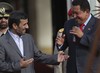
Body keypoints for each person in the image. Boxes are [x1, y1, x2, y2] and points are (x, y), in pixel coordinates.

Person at [0, 11, 69, 73]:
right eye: (24, 24)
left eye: (27, 23)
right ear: (15, 26)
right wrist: (18, 65)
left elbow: (38, 56)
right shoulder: (2, 41)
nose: (27, 27)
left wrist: (55, 58)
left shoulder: (28, 38)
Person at [56, 0, 99, 73]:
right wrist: (61, 44)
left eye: (77, 13)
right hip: (72, 69)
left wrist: (83, 36)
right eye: (73, 13)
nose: (74, 16)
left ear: (87, 12)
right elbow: (65, 44)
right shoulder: (69, 24)